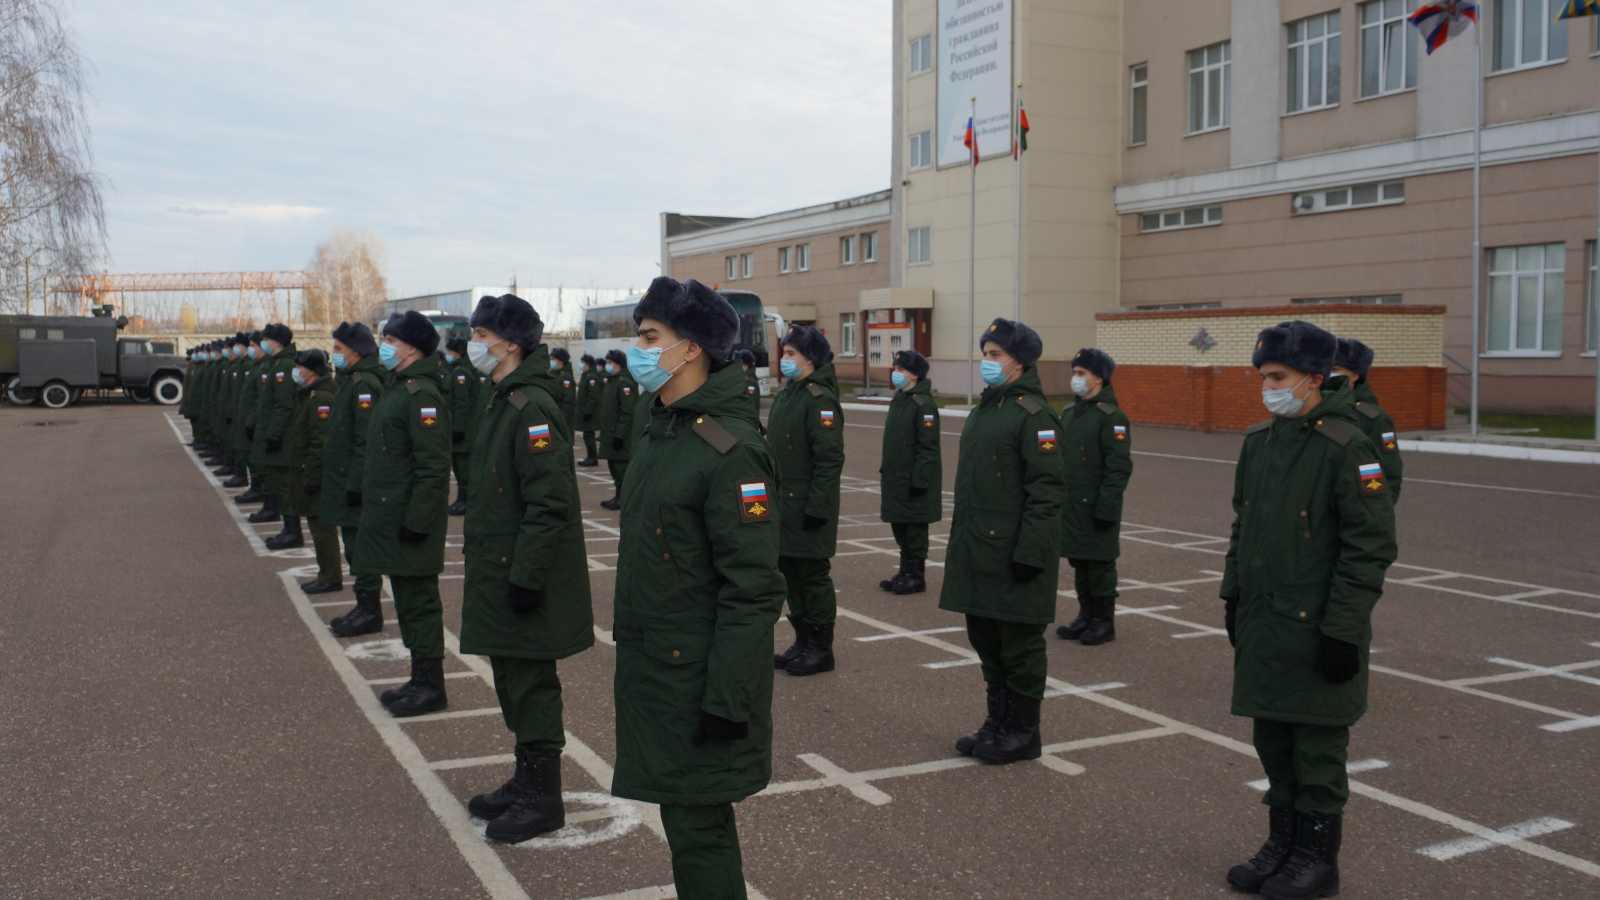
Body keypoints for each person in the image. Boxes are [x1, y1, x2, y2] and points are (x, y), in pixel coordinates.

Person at [612, 276, 786, 900]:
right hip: (660, 668)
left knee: (697, 825)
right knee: (683, 818)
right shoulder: (665, 430)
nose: (637, 348)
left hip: (699, 679)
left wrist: (727, 697)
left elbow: (754, 588)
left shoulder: (728, 449)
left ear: (691, 350)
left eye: (649, 337)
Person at [1222, 321, 1396, 899]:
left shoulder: (1347, 445)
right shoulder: (1260, 442)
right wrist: (1232, 596)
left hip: (1317, 626)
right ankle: (1285, 844)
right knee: (1273, 741)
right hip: (1266, 621)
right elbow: (1242, 526)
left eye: (1279, 377)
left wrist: (1344, 630)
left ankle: (1317, 859)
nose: (1267, 387)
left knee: (1316, 748)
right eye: (1263, 376)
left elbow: (1368, 547)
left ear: (1314, 379)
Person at [457, 295, 596, 843]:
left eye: (480, 334)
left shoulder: (531, 407)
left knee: (533, 682)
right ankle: (525, 779)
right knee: (513, 677)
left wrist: (526, 577)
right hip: (501, 566)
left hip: (521, 572)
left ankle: (545, 797)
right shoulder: (503, 398)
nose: (474, 345)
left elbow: (549, 502)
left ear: (509, 343)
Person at [940, 318, 1066, 765]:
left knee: (1020, 645)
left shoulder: (1036, 415)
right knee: (987, 639)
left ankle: (1022, 731)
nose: (987, 363)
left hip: (1014, 552)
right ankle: (997, 722)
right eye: (985, 353)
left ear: (1021, 361)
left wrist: (1032, 553)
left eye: (996, 355)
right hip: (980, 548)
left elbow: (1047, 491)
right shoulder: (988, 408)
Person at [358, 310, 453, 718]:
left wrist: (417, 523)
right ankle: (419, 679)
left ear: (411, 347)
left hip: (411, 521)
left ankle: (431, 686)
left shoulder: (422, 395)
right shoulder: (399, 387)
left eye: (391, 340)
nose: (384, 346)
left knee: (420, 603)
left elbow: (433, 467)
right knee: (407, 601)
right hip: (391, 517)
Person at [764, 325, 844, 678]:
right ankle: (803, 639)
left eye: (792, 353)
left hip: (808, 506)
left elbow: (829, 460)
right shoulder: (788, 394)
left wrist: (817, 508)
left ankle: (821, 648)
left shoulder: (819, 400)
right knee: (789, 574)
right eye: (784, 352)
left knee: (812, 576)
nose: (785, 360)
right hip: (783, 504)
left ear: (810, 358)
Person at [1054, 348, 1134, 646]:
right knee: (1080, 561)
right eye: (1074, 372)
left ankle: (1103, 620)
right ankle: (1085, 615)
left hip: (1098, 506)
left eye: (1080, 374)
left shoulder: (1112, 418)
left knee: (1099, 564)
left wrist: (1107, 507)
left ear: (1098, 378)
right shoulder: (1070, 414)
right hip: (1072, 505)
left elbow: (1118, 467)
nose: (1075, 378)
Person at [322, 322, 388, 629]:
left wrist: (356, 483)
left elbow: (365, 440)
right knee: (353, 547)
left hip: (353, 481)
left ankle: (370, 610)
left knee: (360, 548)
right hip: (342, 477)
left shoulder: (364, 385)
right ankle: (363, 605)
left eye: (338, 349)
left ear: (357, 352)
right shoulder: (350, 380)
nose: (334, 355)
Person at [877, 349, 941, 595]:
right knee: (901, 526)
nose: (896, 374)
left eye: (901, 370)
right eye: (895, 369)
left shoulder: (923, 405)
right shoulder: (901, 399)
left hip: (913, 480)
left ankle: (916, 576)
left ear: (914, 375)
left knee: (914, 530)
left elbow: (928, 448)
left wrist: (920, 480)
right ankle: (904, 571)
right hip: (896, 478)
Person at [280, 350, 339, 570]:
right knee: (317, 525)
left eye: (299, 367)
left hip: (315, 472)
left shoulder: (320, 399)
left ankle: (330, 576)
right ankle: (327, 573)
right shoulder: (310, 394)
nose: (296, 371)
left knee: (321, 526)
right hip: (309, 469)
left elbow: (320, 442)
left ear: (312, 372)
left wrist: (312, 477)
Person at [1331, 338, 1404, 503]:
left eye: (1335, 369)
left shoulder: (1373, 419)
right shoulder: (1317, 409)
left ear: (1354, 375)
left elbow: (1389, 472)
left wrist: (1376, 514)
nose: (1328, 374)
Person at [248, 324, 298, 528]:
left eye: (266, 340)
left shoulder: (284, 367)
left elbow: (284, 406)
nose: (263, 344)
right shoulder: (278, 364)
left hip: (283, 436)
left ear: (277, 342)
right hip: (273, 430)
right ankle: (286, 524)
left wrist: (274, 435)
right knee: (276, 481)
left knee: (283, 485)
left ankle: (292, 529)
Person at [596, 348, 638, 511]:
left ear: (619, 364)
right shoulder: (612, 381)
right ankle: (619, 496)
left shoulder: (624, 383)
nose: (607, 366)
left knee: (621, 469)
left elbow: (628, 412)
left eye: (609, 363)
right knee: (614, 466)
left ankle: (623, 498)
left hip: (619, 434)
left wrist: (620, 435)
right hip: (610, 432)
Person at [443, 336, 481, 516]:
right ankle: (463, 499)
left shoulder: (461, 374)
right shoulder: (457, 370)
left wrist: (458, 428)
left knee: (464, 468)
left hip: (464, 432)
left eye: (449, 351)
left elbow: (461, 405)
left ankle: (466, 500)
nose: (447, 354)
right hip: (459, 430)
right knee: (459, 468)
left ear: (458, 353)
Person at [233, 332, 271, 505]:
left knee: (259, 462)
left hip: (257, 422)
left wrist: (252, 421)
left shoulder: (266, 368)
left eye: (253, 345)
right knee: (252, 457)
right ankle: (256, 489)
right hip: (249, 419)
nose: (251, 349)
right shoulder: (257, 366)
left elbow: (260, 399)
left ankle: (260, 491)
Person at [577, 353, 602, 467]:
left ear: (588, 364)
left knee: (589, 436)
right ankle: (590, 456)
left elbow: (593, 397)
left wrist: (588, 412)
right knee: (587, 435)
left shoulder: (592, 377)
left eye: (583, 362)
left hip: (589, 413)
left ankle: (592, 457)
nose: (581, 365)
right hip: (584, 411)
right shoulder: (586, 375)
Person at [550, 346, 579, 435]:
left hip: (562, 421)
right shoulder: (556, 375)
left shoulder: (566, 378)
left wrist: (559, 419)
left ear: (561, 361)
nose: (551, 361)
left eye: (553, 359)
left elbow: (568, 402)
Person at [737, 348, 760, 420]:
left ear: (745, 365)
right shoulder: (743, 379)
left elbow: (750, 405)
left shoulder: (750, 382)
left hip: (747, 422)